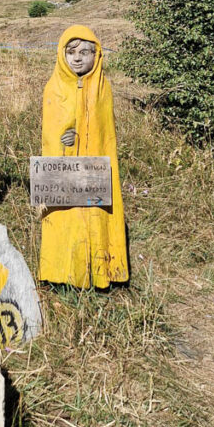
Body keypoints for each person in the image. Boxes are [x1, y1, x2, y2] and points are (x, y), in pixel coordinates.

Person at [40, 25, 128, 288]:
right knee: (65, 218)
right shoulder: (53, 88)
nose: (77, 58)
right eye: (71, 52)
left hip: (95, 176)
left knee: (96, 216)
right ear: (61, 55)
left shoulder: (103, 89)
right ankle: (61, 274)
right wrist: (64, 140)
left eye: (85, 51)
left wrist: (84, 140)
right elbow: (51, 133)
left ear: (97, 54)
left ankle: (102, 270)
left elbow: (105, 134)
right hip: (65, 177)